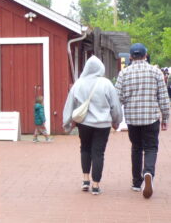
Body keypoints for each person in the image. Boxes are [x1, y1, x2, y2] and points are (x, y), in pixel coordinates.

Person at [115, 43, 170, 199]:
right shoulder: (156, 72)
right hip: (151, 118)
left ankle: (136, 182)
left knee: (136, 148)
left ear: (131, 57)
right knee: (151, 148)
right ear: (146, 55)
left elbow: (117, 98)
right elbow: (164, 98)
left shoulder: (123, 74)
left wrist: (116, 119)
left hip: (133, 119)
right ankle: (148, 173)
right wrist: (165, 117)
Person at [63, 55, 122, 195]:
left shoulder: (79, 83)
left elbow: (69, 104)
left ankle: (85, 180)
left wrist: (67, 123)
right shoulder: (106, 83)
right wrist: (116, 121)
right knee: (98, 153)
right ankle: (95, 185)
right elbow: (115, 105)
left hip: (84, 123)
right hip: (103, 125)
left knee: (85, 149)